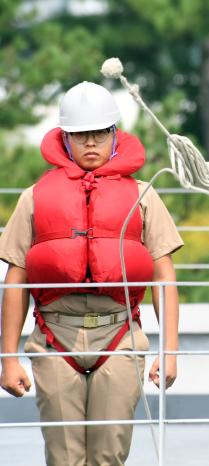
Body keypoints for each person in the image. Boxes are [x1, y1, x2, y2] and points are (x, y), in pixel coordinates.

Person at [0, 81, 183, 466]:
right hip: (55, 336)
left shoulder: (143, 196)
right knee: (63, 458)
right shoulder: (34, 197)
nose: (91, 143)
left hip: (119, 337)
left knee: (109, 456)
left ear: (115, 134)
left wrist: (169, 352)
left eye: (100, 132)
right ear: (64, 138)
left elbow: (163, 276)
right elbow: (16, 277)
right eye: (80, 134)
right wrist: (8, 358)